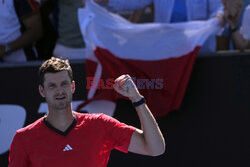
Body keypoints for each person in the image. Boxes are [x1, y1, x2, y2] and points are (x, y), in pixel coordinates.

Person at [8, 57, 165, 167]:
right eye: (52, 86)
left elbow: (155, 148)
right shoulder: (24, 139)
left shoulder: (101, 124)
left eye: (64, 83)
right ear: (42, 91)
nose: (59, 90)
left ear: (73, 86)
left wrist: (137, 98)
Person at [104, 0, 224, 55]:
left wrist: (219, 17)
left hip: (199, 54)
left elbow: (219, 7)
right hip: (168, 54)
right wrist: (107, 1)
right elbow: (132, 1)